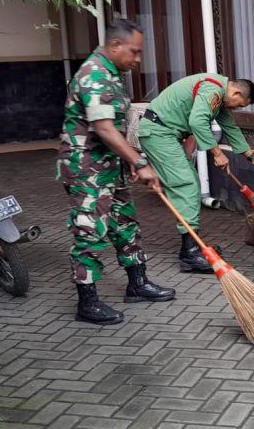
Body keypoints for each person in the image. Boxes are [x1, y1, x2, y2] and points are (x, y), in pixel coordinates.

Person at [57, 19, 176, 326]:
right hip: (87, 170)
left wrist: (125, 163)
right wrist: (139, 162)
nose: (138, 60)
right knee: (89, 231)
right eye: (134, 52)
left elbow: (114, 130)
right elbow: (105, 129)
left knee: (125, 224)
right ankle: (87, 302)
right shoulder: (94, 74)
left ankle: (137, 284)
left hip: (109, 165)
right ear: (114, 46)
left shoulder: (110, 74)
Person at [135, 74, 254, 273]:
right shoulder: (213, 89)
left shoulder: (219, 95)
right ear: (236, 92)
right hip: (159, 134)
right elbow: (197, 121)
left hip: (164, 134)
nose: (235, 109)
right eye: (238, 105)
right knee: (186, 185)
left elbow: (229, 127)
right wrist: (217, 153)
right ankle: (189, 254)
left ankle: (192, 246)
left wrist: (252, 156)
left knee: (191, 184)